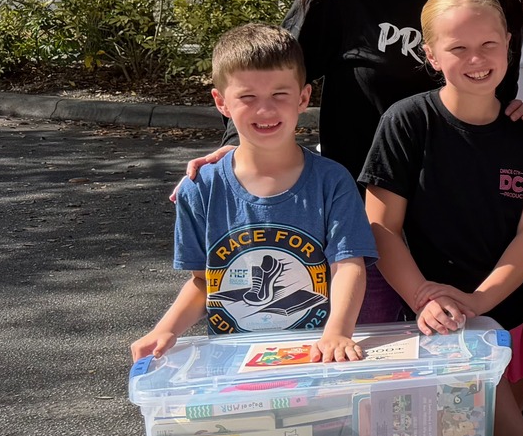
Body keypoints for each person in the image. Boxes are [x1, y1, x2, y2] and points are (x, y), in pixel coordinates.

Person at [177, 0, 523, 323]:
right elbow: (275, 71)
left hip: (460, 236)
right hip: (361, 230)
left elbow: (487, 107)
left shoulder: (496, 6)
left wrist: (516, 113)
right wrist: (233, 144)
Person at [360, 0, 523, 436]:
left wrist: (479, 300)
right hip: (441, 323)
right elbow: (381, 228)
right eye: (458, 48)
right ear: (431, 54)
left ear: (508, 44)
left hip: (517, 311)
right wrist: (425, 297)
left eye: (488, 45)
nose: (476, 59)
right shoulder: (408, 121)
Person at [134, 24, 373, 363]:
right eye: (248, 98)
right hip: (234, 364)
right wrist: (166, 329)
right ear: (221, 102)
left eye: (280, 94)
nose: (265, 110)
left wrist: (337, 332)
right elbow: (203, 282)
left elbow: (348, 265)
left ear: (303, 98)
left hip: (316, 357)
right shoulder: (200, 188)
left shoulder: (332, 181)